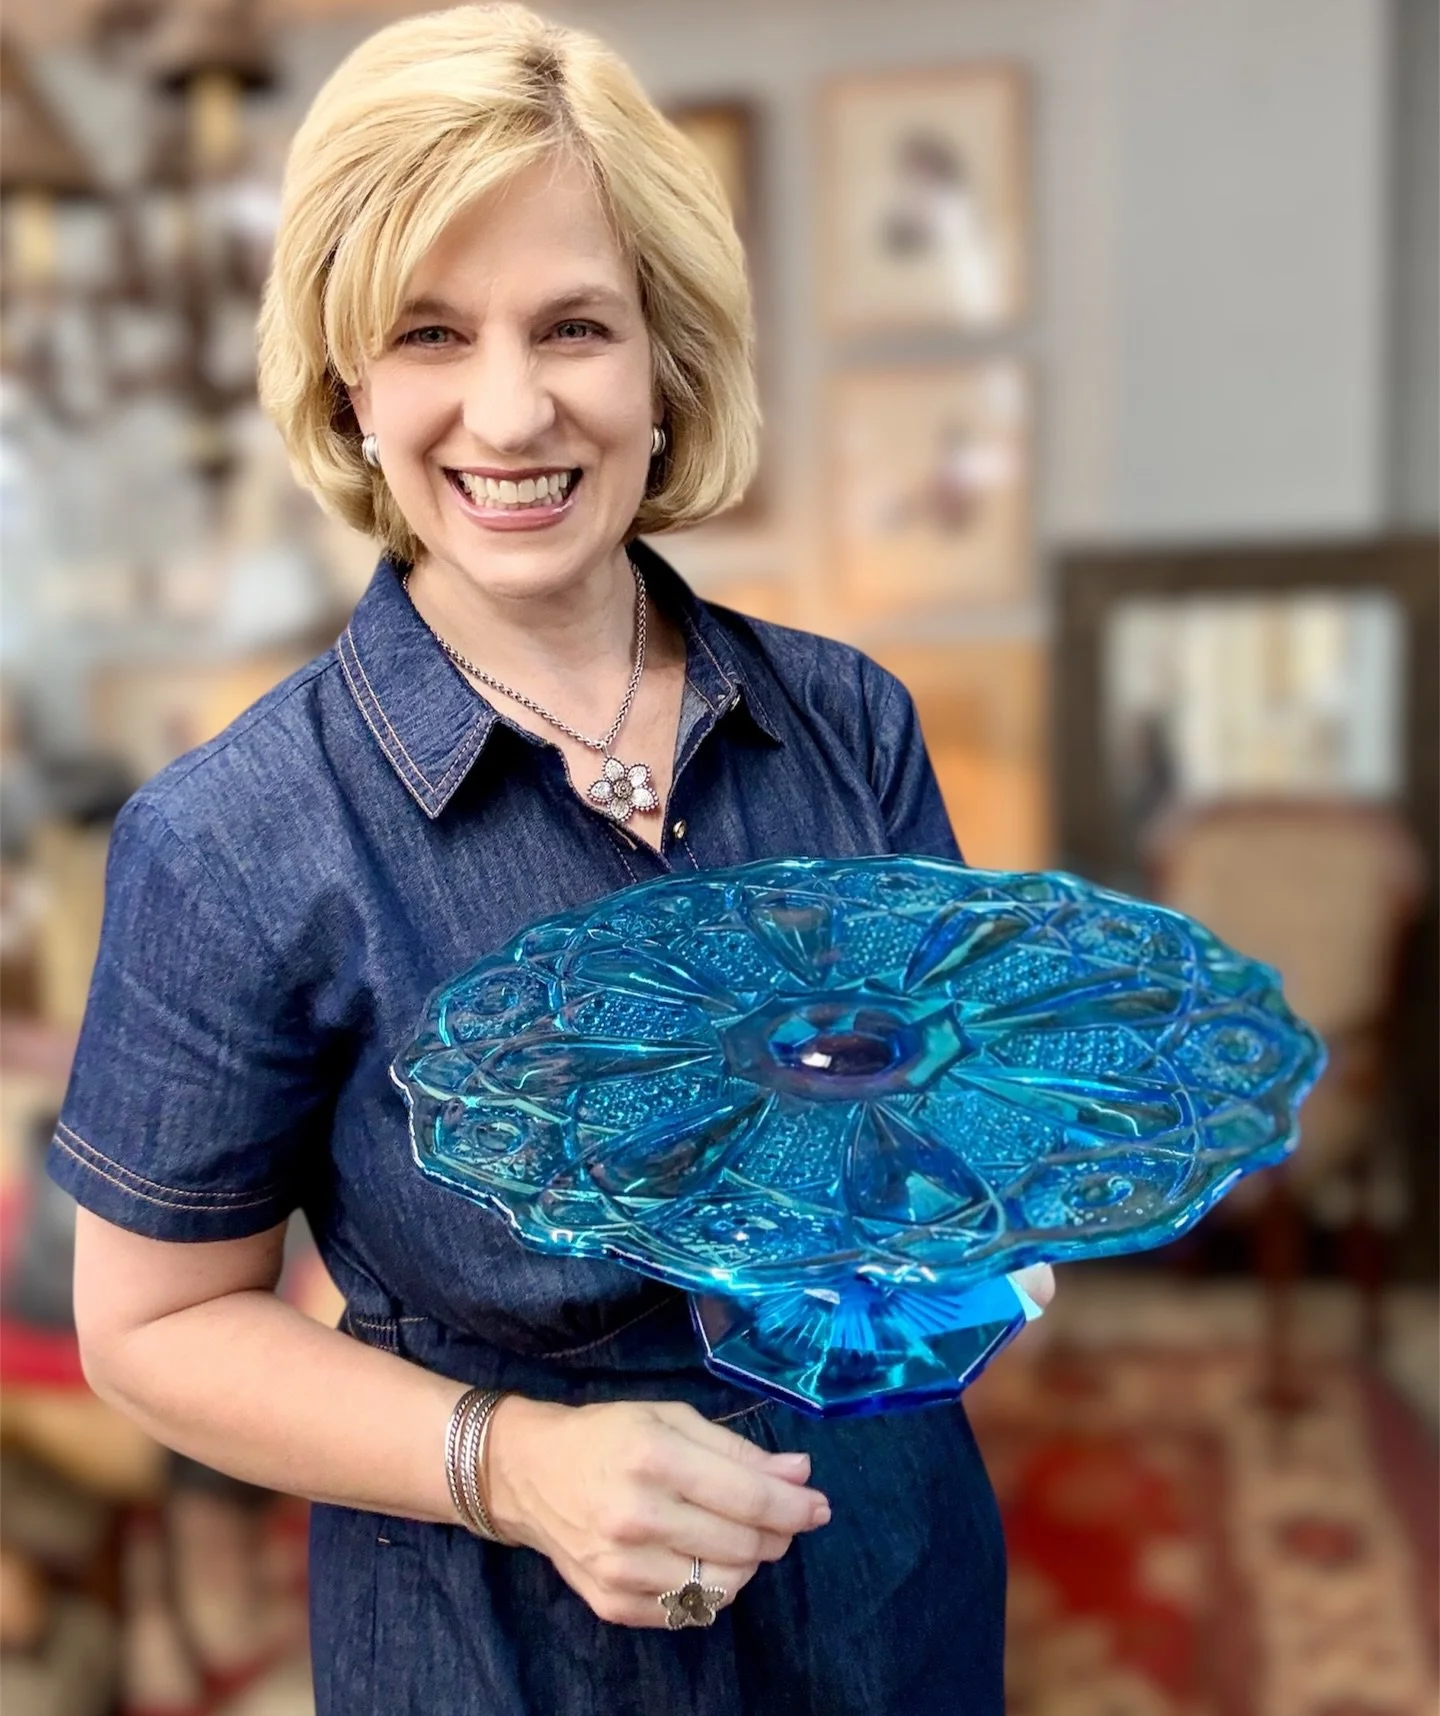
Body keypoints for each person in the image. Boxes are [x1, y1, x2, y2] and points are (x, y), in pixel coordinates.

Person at [51, 7, 1054, 1712]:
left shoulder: (850, 722)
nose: (508, 410)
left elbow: (951, 1135)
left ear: (664, 364)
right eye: (430, 332)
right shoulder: (232, 839)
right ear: (352, 386)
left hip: (893, 1589)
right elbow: (146, 1332)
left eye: (573, 325)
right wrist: (518, 1466)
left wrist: (981, 1217)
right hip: (511, 1652)